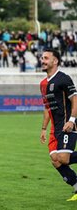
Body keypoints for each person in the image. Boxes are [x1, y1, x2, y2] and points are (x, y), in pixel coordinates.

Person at [40, 48, 77, 201]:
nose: (43, 61)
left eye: (46, 58)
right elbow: (47, 108)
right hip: (55, 129)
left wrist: (72, 120)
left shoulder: (64, 79)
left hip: (67, 125)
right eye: (42, 58)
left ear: (55, 61)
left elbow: (75, 100)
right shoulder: (43, 84)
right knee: (55, 160)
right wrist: (43, 128)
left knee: (63, 158)